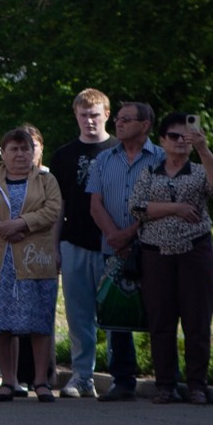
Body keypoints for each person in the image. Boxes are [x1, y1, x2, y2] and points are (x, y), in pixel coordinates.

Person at [127, 112, 213, 404]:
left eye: (187, 136)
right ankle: (165, 385)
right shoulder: (150, 172)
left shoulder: (199, 170)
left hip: (194, 252)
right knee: (161, 322)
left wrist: (204, 149)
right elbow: (138, 206)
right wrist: (177, 208)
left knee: (197, 321)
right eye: (174, 136)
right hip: (156, 255)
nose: (181, 141)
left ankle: (197, 385)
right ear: (162, 141)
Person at [0, 125, 63, 401]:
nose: (20, 154)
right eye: (14, 149)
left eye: (26, 148)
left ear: (34, 151)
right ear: (3, 153)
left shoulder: (46, 179)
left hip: (36, 259)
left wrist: (21, 223)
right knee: (1, 323)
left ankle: (41, 382)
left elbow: (53, 210)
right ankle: (8, 381)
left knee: (39, 321)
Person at [86, 102, 164, 401]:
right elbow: (95, 204)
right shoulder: (104, 159)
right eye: (118, 119)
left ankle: (166, 380)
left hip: (153, 247)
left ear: (145, 125)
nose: (118, 123)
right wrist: (114, 236)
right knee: (117, 314)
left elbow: (161, 203)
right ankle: (123, 381)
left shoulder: (161, 158)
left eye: (126, 119)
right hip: (114, 249)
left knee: (159, 312)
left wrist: (129, 234)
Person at [53, 90, 123, 398]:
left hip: (113, 243)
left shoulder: (120, 151)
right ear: (76, 116)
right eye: (83, 115)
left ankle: (121, 375)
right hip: (75, 242)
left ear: (106, 114)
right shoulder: (64, 155)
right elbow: (58, 205)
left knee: (116, 315)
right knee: (79, 315)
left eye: (94, 114)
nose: (89, 120)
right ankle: (82, 375)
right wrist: (55, 246)